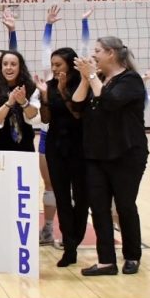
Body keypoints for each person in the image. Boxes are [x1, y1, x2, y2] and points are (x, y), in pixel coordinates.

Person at [73, 37, 148, 276]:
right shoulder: (100, 80)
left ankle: (132, 256)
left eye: (98, 51)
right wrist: (87, 78)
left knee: (124, 206)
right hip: (96, 155)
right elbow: (76, 105)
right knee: (99, 208)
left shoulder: (131, 80)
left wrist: (93, 77)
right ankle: (106, 260)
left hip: (126, 154)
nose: (94, 55)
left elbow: (112, 102)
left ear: (112, 54)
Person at [36, 47, 88, 267]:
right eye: (53, 64)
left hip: (79, 147)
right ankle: (69, 246)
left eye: (58, 65)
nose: (54, 68)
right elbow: (45, 119)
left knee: (82, 198)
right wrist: (46, 97)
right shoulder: (48, 86)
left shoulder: (80, 83)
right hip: (56, 147)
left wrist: (63, 89)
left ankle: (76, 237)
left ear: (69, 64)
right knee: (62, 198)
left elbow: (77, 113)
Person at [0, 50, 39, 152]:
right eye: (5, 64)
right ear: (1, 68)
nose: (8, 67)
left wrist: (23, 102)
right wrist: (9, 103)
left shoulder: (31, 88)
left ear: (20, 67)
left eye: (13, 64)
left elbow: (34, 116)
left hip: (24, 146)